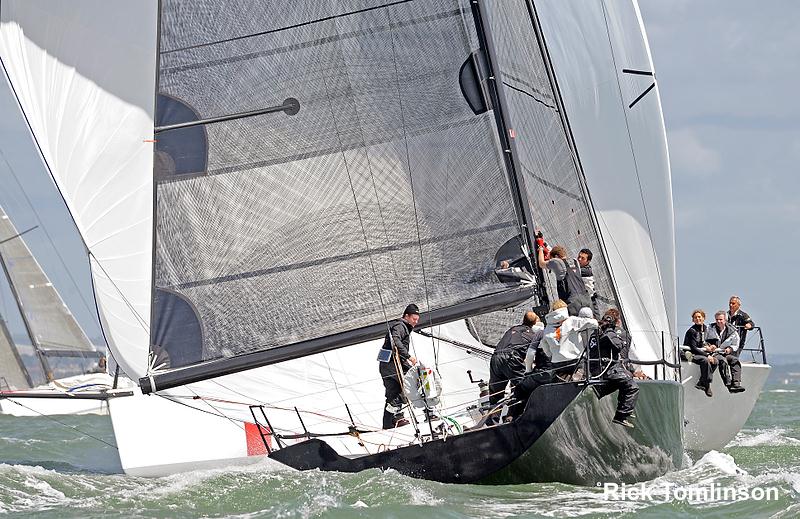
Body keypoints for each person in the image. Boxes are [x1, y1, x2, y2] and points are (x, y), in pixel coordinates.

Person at [488, 311, 543, 424]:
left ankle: (491, 422)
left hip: (496, 357)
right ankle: (511, 418)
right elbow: (536, 355)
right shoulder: (533, 335)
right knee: (523, 387)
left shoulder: (513, 329)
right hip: (511, 359)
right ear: (535, 323)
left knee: (495, 393)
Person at [592, 314, 640, 428]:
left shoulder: (597, 332)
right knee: (633, 387)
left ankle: (626, 408)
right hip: (609, 368)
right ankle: (621, 415)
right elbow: (618, 346)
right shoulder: (609, 333)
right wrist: (622, 342)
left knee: (625, 380)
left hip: (603, 368)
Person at [378, 304, 420, 429]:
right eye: (414, 319)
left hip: (385, 365)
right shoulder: (400, 326)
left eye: (417, 320)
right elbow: (395, 341)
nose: (415, 322)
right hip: (394, 363)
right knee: (411, 383)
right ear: (406, 316)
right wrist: (409, 357)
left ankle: (388, 423)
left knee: (393, 394)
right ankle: (429, 412)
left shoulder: (400, 326)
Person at [537, 243, 590, 315]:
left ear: (556, 257)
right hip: (586, 299)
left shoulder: (556, 262)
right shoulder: (575, 262)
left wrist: (540, 249)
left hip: (572, 301)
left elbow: (541, 263)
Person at [707, 310, 745, 393]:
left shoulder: (733, 331)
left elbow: (736, 343)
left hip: (725, 352)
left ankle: (736, 384)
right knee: (722, 361)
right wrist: (710, 346)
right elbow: (705, 340)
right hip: (714, 353)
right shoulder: (710, 328)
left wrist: (730, 349)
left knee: (735, 360)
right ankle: (728, 384)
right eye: (717, 319)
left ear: (725, 320)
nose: (718, 321)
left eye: (720, 319)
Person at [683, 309, 718, 397]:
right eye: (695, 317)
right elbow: (694, 348)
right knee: (705, 360)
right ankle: (707, 385)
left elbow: (714, 341)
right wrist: (707, 355)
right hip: (689, 354)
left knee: (716, 361)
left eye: (699, 317)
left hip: (701, 353)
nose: (697, 319)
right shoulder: (692, 331)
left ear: (703, 318)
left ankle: (702, 381)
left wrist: (712, 346)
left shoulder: (707, 329)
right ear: (693, 320)